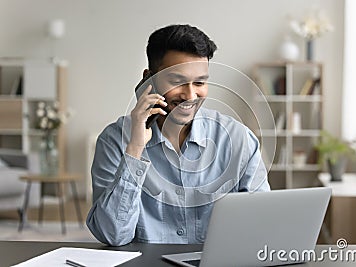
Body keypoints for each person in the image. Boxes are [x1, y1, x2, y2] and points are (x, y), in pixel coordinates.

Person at [86, 24, 270, 246]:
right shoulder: (115, 141)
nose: (190, 95)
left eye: (200, 82)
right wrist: (135, 149)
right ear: (148, 80)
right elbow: (112, 235)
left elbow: (261, 227)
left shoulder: (239, 139)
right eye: (177, 81)